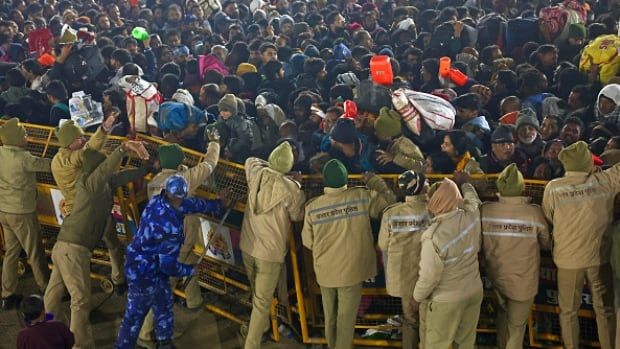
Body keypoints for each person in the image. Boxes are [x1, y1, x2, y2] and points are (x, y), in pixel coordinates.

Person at [44, 140, 150, 349]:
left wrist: (147, 168)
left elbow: (122, 176)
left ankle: (47, 326)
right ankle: (80, 344)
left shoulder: (101, 183)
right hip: (74, 250)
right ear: (96, 167)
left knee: (54, 292)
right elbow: (107, 169)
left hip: (64, 247)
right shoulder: (89, 183)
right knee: (81, 300)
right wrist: (122, 149)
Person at [116, 175, 224, 349]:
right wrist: (191, 270)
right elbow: (170, 266)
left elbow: (192, 204)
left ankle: (164, 342)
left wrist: (218, 204)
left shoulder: (159, 201)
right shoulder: (169, 228)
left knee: (164, 303)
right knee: (134, 315)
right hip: (142, 270)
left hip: (149, 264)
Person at [137, 128, 221, 347]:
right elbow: (210, 164)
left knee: (187, 261)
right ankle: (145, 335)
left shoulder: (155, 181)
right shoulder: (184, 179)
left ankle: (194, 300)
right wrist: (214, 142)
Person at [302, 159, 396, 349]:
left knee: (330, 317)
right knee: (345, 321)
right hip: (352, 272)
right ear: (346, 179)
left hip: (325, 272)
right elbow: (389, 202)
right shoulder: (362, 197)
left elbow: (307, 241)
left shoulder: (313, 207)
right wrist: (374, 181)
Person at [543, 141, 620, 349]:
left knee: (568, 312)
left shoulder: (553, 188)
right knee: (605, 311)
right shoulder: (605, 181)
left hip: (567, 261)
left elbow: (549, 216)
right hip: (599, 259)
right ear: (588, 162)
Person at [240, 141, 306, 349]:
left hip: (248, 246)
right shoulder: (291, 190)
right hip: (270, 254)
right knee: (261, 303)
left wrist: (270, 166)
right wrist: (294, 182)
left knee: (257, 296)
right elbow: (298, 215)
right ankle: (252, 344)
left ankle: (263, 327)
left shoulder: (256, 173)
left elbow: (250, 160)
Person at [51, 115, 128, 293]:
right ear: (70, 142)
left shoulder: (56, 160)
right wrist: (104, 130)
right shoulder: (72, 159)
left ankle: (54, 302)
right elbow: (90, 149)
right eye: (79, 138)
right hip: (93, 211)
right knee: (112, 245)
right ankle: (118, 281)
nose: (83, 139)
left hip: (72, 214)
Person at [481, 164, 551, 349]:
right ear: (521, 187)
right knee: (516, 328)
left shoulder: (486, 211)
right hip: (523, 282)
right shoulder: (533, 213)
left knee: (502, 315)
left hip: (496, 278)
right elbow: (546, 243)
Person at [412, 172, 483, 349]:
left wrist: (417, 297)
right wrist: (465, 184)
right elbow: (473, 200)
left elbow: (430, 276)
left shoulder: (433, 236)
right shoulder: (471, 215)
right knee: (466, 343)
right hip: (474, 291)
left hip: (447, 300)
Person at [0, 118, 50, 310]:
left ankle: (7, 295)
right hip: (22, 212)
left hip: (4, 211)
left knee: (11, 253)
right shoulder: (24, 158)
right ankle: (47, 289)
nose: (27, 137)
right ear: (16, 140)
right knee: (35, 251)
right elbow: (49, 165)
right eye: (24, 135)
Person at [378, 170, 430, 349]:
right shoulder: (434, 210)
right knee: (429, 320)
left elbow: (383, 244)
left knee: (410, 320)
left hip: (405, 277)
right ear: (422, 187)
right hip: (431, 276)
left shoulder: (391, 213)